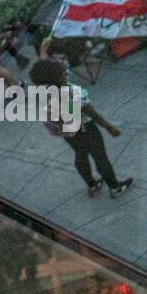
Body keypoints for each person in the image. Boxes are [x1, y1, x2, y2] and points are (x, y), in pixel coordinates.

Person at [30, 59, 133, 198]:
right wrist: (109, 127)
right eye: (63, 73)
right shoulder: (71, 93)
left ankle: (92, 185)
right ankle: (114, 187)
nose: (66, 74)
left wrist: (43, 49)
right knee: (100, 156)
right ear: (56, 77)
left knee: (80, 153)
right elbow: (90, 112)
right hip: (86, 128)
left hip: (67, 130)